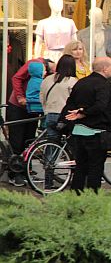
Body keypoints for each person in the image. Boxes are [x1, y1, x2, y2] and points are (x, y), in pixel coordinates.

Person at [62, 57, 111, 194]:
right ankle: (92, 197)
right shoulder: (104, 85)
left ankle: (75, 195)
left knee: (80, 167)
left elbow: (70, 103)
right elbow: (101, 106)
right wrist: (84, 113)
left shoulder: (81, 82)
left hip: (79, 131)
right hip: (96, 131)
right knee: (95, 168)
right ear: (105, 69)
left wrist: (75, 116)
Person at [5, 57, 54, 187]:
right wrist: (20, 96)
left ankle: (26, 169)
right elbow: (16, 78)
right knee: (17, 139)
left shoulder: (49, 74)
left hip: (33, 107)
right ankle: (14, 173)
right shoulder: (35, 64)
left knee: (30, 140)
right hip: (19, 106)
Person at [40, 55, 79, 136]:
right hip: (65, 116)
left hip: (49, 113)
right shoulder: (73, 81)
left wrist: (46, 110)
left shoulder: (47, 79)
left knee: (52, 141)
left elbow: (42, 97)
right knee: (68, 141)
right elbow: (76, 100)